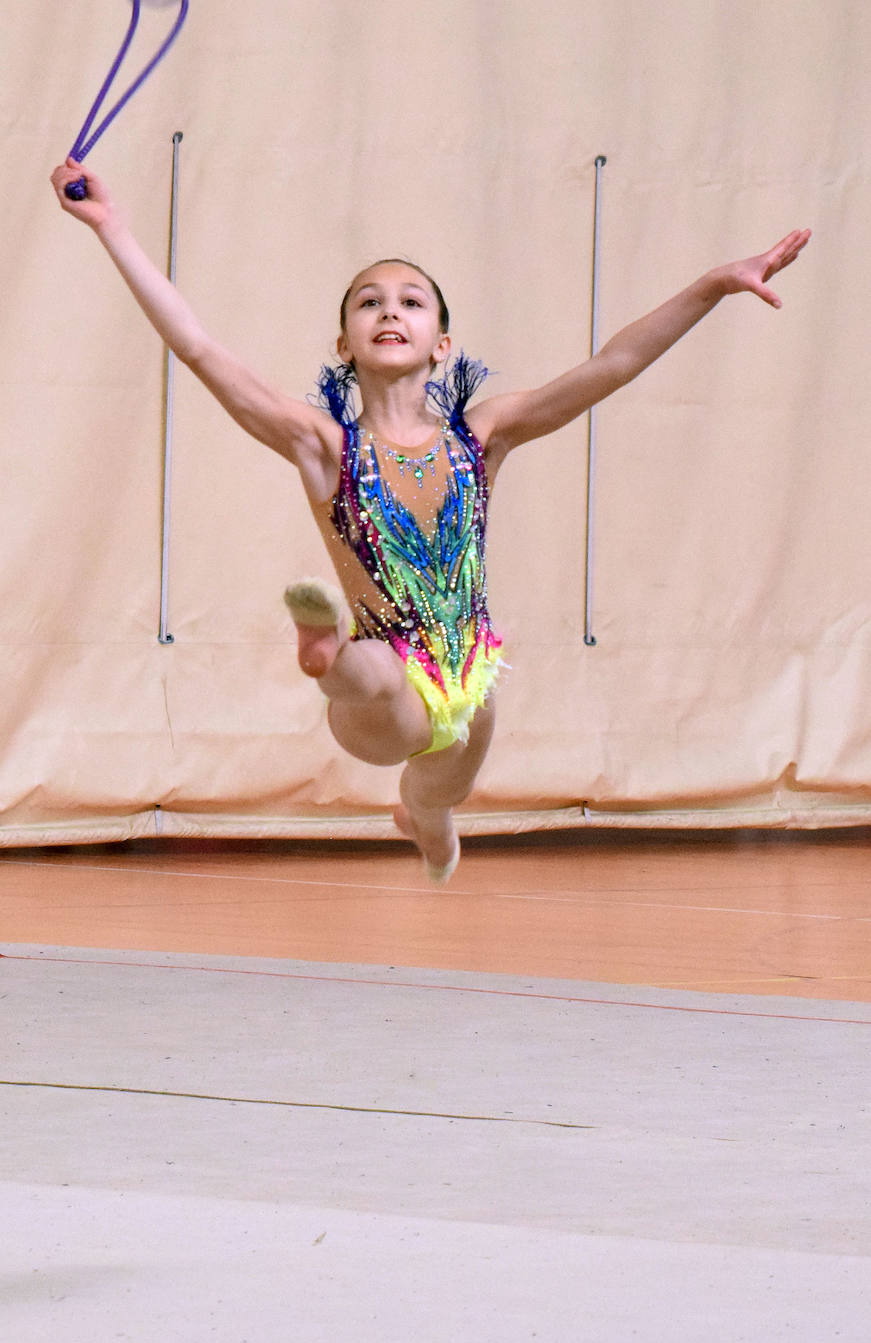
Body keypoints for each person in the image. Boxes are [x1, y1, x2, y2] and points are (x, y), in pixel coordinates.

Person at [50, 156, 811, 881]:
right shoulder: (324, 447)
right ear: (344, 343)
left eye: (410, 301)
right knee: (377, 678)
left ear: (440, 344)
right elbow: (198, 346)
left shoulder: (480, 439)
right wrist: (110, 226)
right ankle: (326, 652)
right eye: (369, 302)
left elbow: (609, 366)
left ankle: (426, 821)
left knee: (437, 788)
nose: (389, 310)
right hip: (379, 692)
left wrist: (712, 286)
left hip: (470, 678)